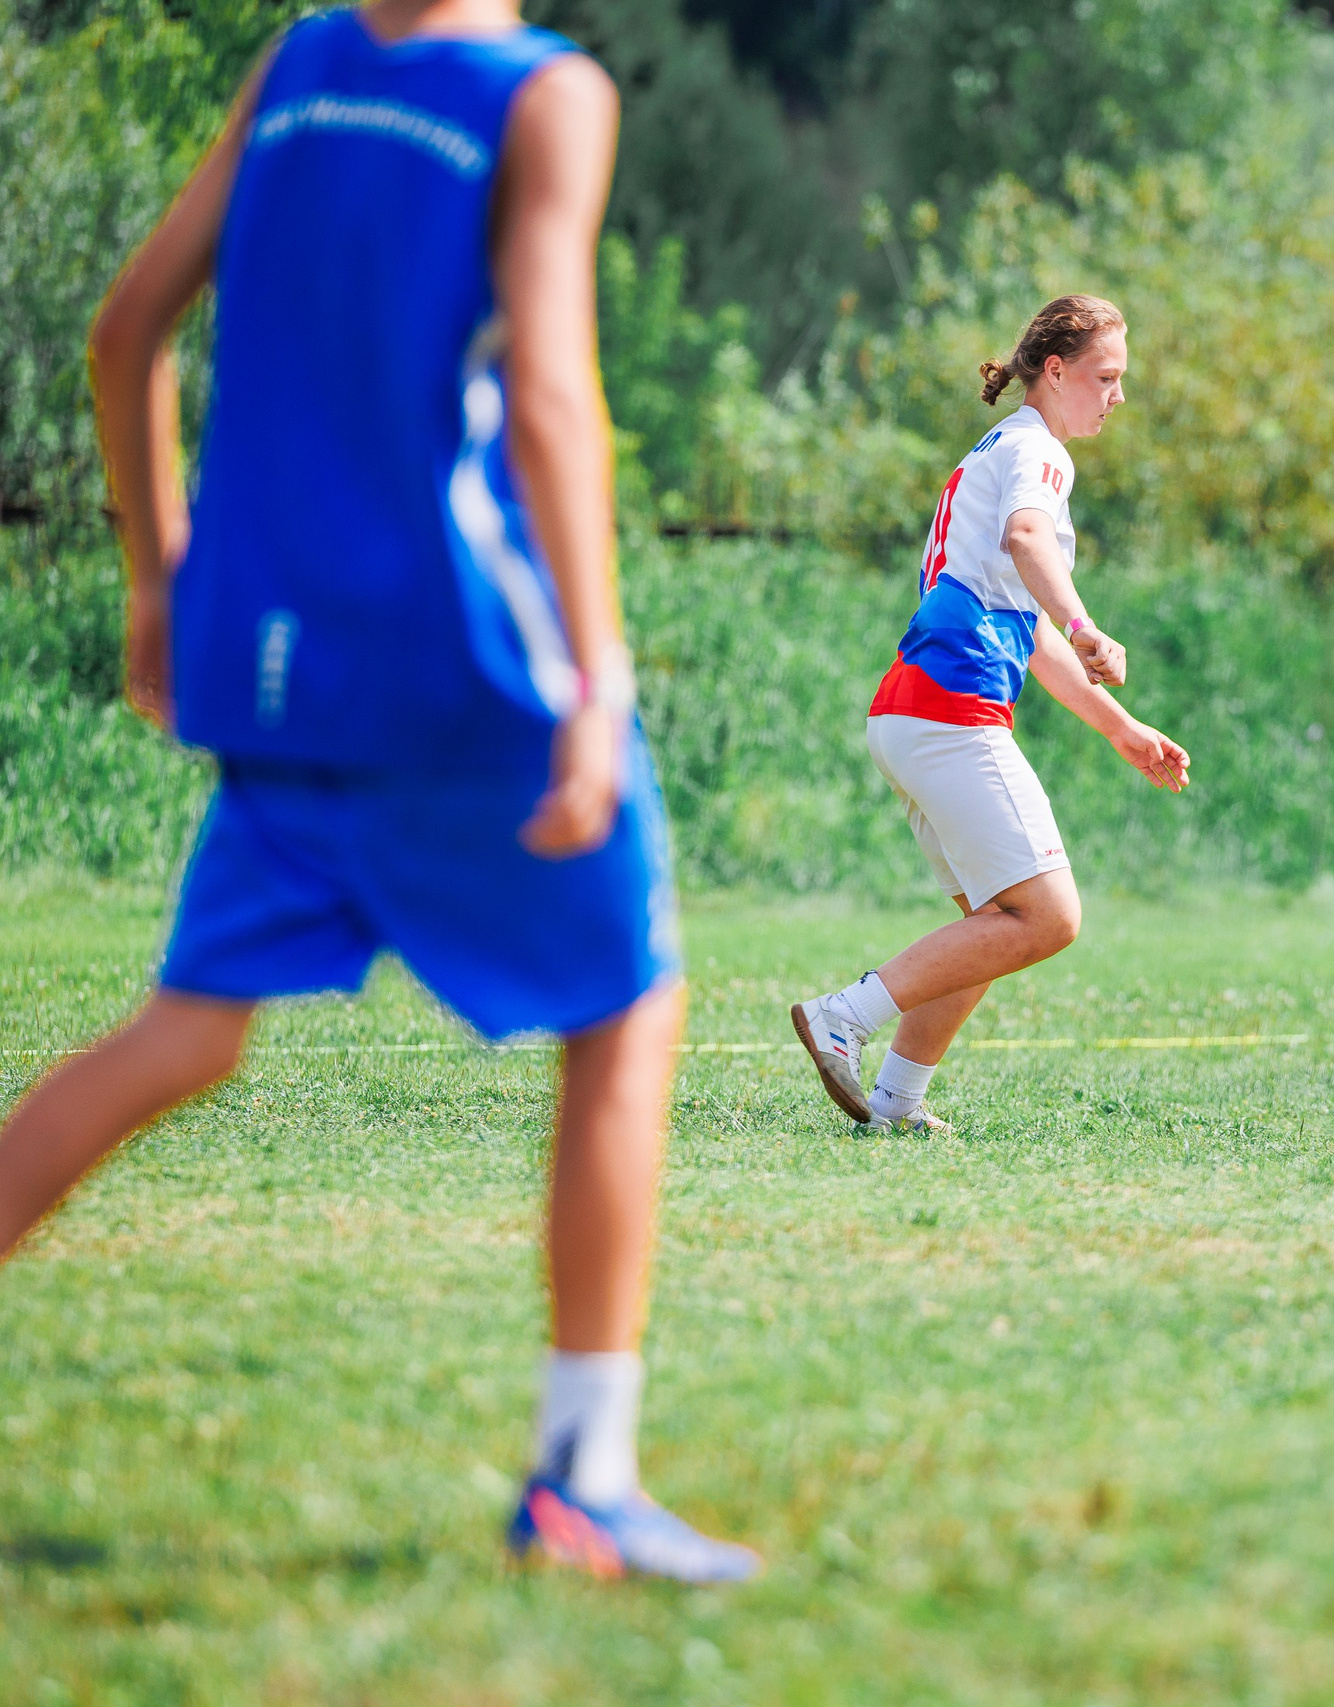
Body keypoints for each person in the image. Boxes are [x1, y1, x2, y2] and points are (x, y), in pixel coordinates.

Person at [0, 1, 757, 1582]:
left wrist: (158, 586)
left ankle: (585, 1480)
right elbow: (549, 388)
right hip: (458, 664)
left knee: (185, 1032)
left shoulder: (299, 64)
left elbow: (125, 328)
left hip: (275, 660)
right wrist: (600, 682)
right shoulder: (541, 96)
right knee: (629, 1008)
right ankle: (583, 1481)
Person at [791, 297, 1190, 1129]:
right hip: (948, 713)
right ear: (1055, 372)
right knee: (1048, 916)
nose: (1116, 396)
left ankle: (897, 1102)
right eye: (1106, 377)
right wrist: (1088, 624)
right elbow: (1027, 540)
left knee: (996, 917)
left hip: (910, 713)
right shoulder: (1038, 451)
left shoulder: (1003, 447)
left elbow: (1028, 629)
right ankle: (844, 1015)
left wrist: (1122, 729)